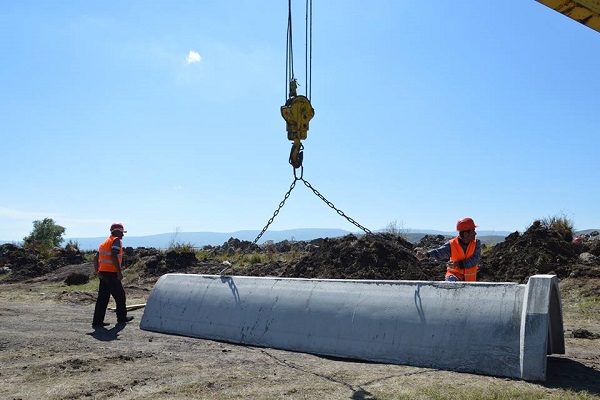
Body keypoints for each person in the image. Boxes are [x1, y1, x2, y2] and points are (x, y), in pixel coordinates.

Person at [92, 222, 134, 328]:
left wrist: (97, 271)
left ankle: (97, 321)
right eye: (121, 232)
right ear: (116, 231)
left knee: (102, 298)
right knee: (120, 296)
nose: (123, 235)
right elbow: (114, 255)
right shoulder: (116, 241)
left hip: (103, 273)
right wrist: (119, 272)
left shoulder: (104, 243)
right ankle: (122, 318)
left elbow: (95, 257)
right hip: (111, 273)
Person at [415, 217, 481, 282]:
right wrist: (426, 254)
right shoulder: (452, 244)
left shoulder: (476, 243)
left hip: (469, 280)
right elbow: (439, 252)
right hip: (453, 276)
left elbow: (474, 260)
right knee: (452, 283)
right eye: (473, 231)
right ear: (465, 234)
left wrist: (457, 264)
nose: (475, 233)